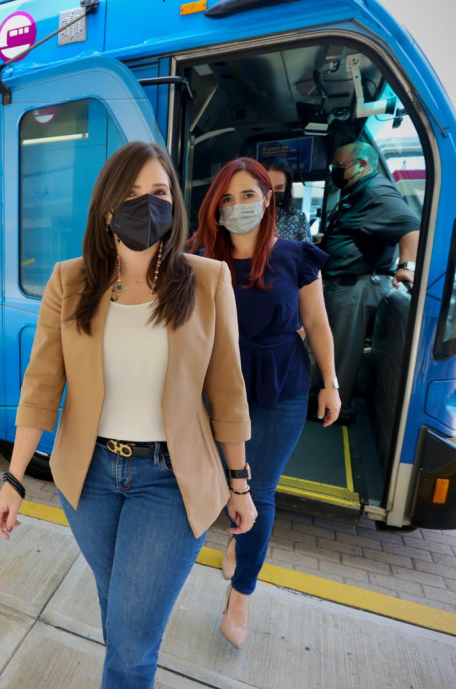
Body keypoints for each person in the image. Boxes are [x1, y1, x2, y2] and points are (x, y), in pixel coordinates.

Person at [0, 141, 255, 689]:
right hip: (88, 478)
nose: (147, 204)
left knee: (131, 641)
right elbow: (41, 386)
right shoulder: (70, 281)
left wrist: (240, 484)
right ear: (107, 205)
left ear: (174, 202)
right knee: (121, 615)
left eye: (159, 192)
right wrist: (13, 479)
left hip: (170, 480)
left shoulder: (206, 280)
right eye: (132, 193)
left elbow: (228, 393)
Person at [189, 157, 341, 650]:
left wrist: (331, 383)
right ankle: (238, 532)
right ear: (215, 208)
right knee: (227, 484)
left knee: (260, 491)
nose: (238, 207)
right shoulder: (198, 257)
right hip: (216, 386)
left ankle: (241, 594)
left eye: (248, 196)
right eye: (227, 199)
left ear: (268, 198)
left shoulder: (297, 256)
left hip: (282, 385)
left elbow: (316, 323)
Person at [321, 142, 419, 408]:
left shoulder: (375, 191)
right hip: (345, 284)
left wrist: (406, 267)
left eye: (339, 166)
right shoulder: (357, 191)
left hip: (355, 285)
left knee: (342, 351)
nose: (335, 171)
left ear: (362, 165)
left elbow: (411, 228)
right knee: (335, 346)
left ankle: (335, 407)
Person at [264, 158, 312, 242]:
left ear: (286, 188)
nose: (272, 193)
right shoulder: (247, 216)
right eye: (267, 187)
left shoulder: (298, 219)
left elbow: (306, 249)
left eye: (279, 188)